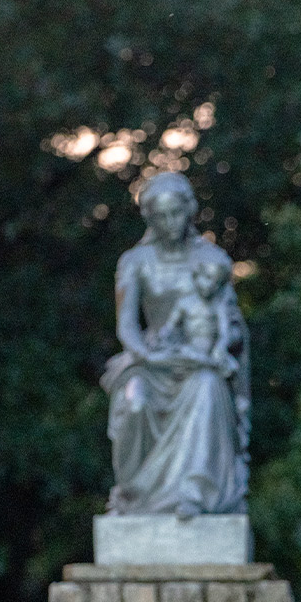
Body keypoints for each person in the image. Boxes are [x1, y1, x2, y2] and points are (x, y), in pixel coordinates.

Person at [102, 172, 249, 518]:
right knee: (135, 404)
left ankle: (194, 493)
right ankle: (133, 495)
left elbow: (231, 324)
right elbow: (127, 327)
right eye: (161, 215)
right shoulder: (135, 262)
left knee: (208, 388)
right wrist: (153, 356)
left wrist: (212, 349)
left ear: (191, 211)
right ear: (150, 218)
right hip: (152, 359)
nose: (171, 223)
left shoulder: (212, 260)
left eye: (177, 213)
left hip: (199, 363)